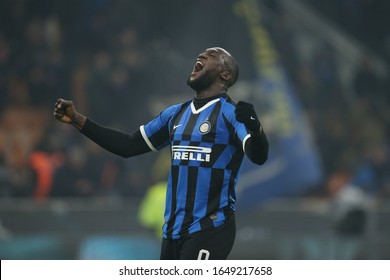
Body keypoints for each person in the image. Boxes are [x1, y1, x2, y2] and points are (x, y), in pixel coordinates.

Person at [53, 47, 269, 260]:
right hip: (172, 233)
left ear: (225, 74)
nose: (202, 55)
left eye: (212, 55)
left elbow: (258, 156)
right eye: (202, 53)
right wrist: (77, 120)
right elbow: (127, 146)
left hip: (210, 229)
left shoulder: (231, 114)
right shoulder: (175, 114)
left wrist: (256, 130)